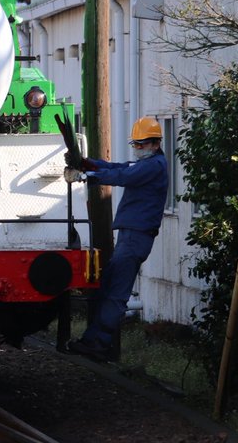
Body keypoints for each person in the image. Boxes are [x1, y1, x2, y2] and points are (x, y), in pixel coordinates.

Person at [65, 117, 169, 362]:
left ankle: (98, 345)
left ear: (155, 144)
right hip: (131, 235)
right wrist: (87, 163)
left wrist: (86, 176)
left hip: (136, 237)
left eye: (142, 144)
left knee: (115, 293)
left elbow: (123, 176)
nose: (137, 148)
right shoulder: (148, 163)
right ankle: (93, 342)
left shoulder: (154, 166)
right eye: (136, 144)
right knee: (108, 288)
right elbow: (118, 168)